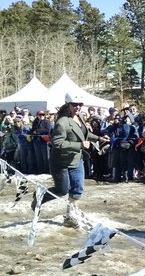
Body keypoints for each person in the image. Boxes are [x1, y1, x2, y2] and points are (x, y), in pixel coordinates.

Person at [34, 93, 108, 224]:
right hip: (60, 161)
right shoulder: (62, 122)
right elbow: (57, 143)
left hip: (76, 159)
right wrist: (80, 145)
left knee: (78, 189)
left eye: (80, 105)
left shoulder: (80, 117)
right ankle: (39, 197)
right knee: (62, 190)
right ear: (68, 105)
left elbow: (84, 134)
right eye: (74, 105)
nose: (78, 107)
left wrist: (99, 138)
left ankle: (70, 215)